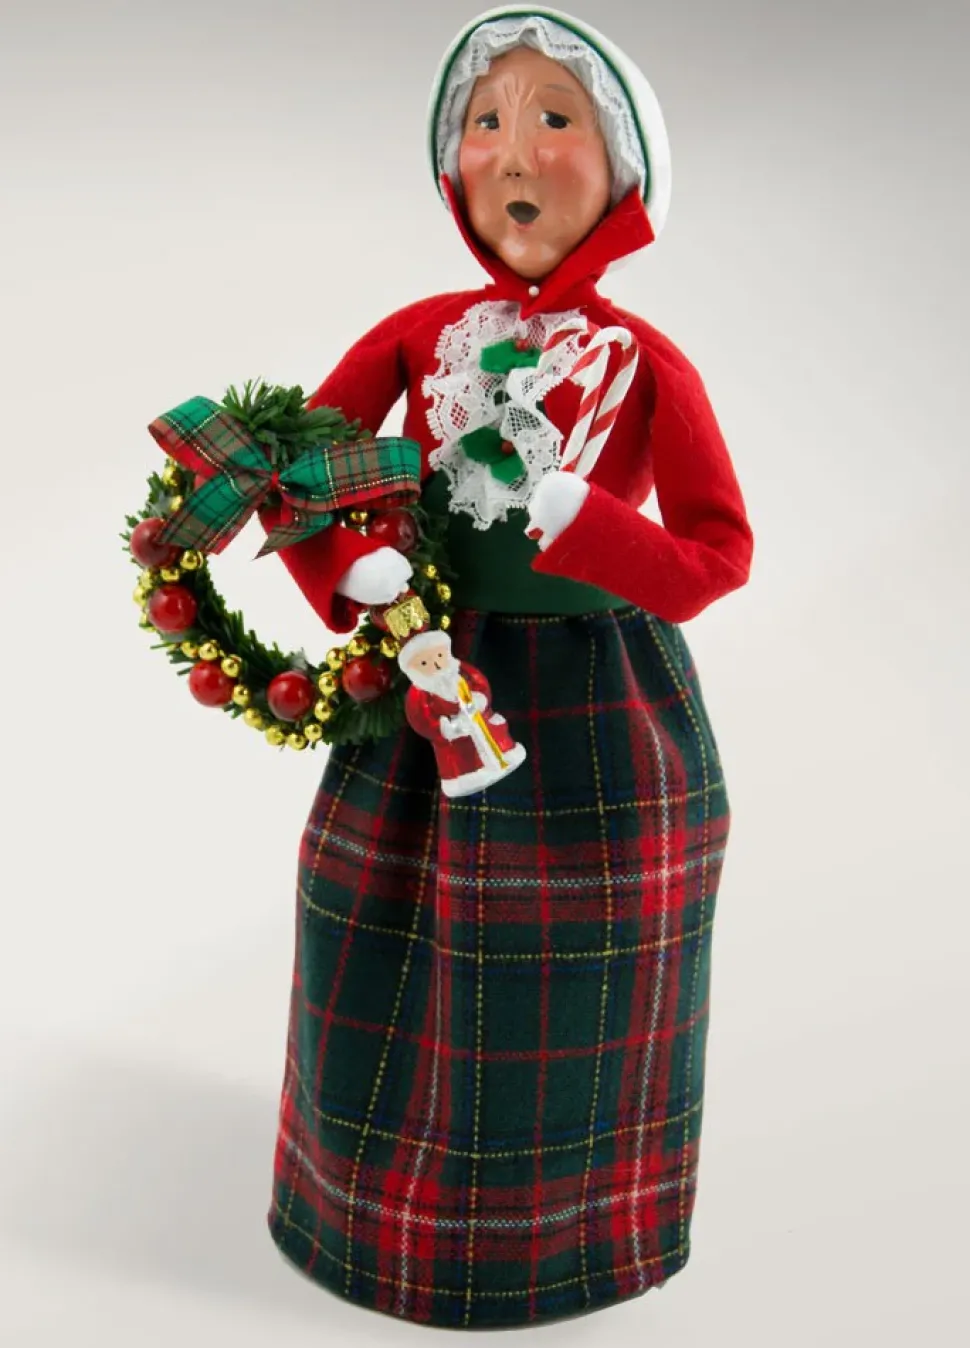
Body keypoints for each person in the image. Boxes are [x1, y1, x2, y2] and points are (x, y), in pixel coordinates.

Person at [264, 5, 753, 1328]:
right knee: (372, 926)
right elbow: (292, 471)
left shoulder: (646, 365)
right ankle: (363, 1214)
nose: (516, 151)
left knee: (590, 964)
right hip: (426, 678)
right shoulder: (418, 336)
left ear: (623, 170)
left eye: (554, 118)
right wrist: (348, 572)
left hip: (602, 699)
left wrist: (588, 527)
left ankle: (580, 1232)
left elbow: (715, 556)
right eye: (486, 120)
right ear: (452, 165)